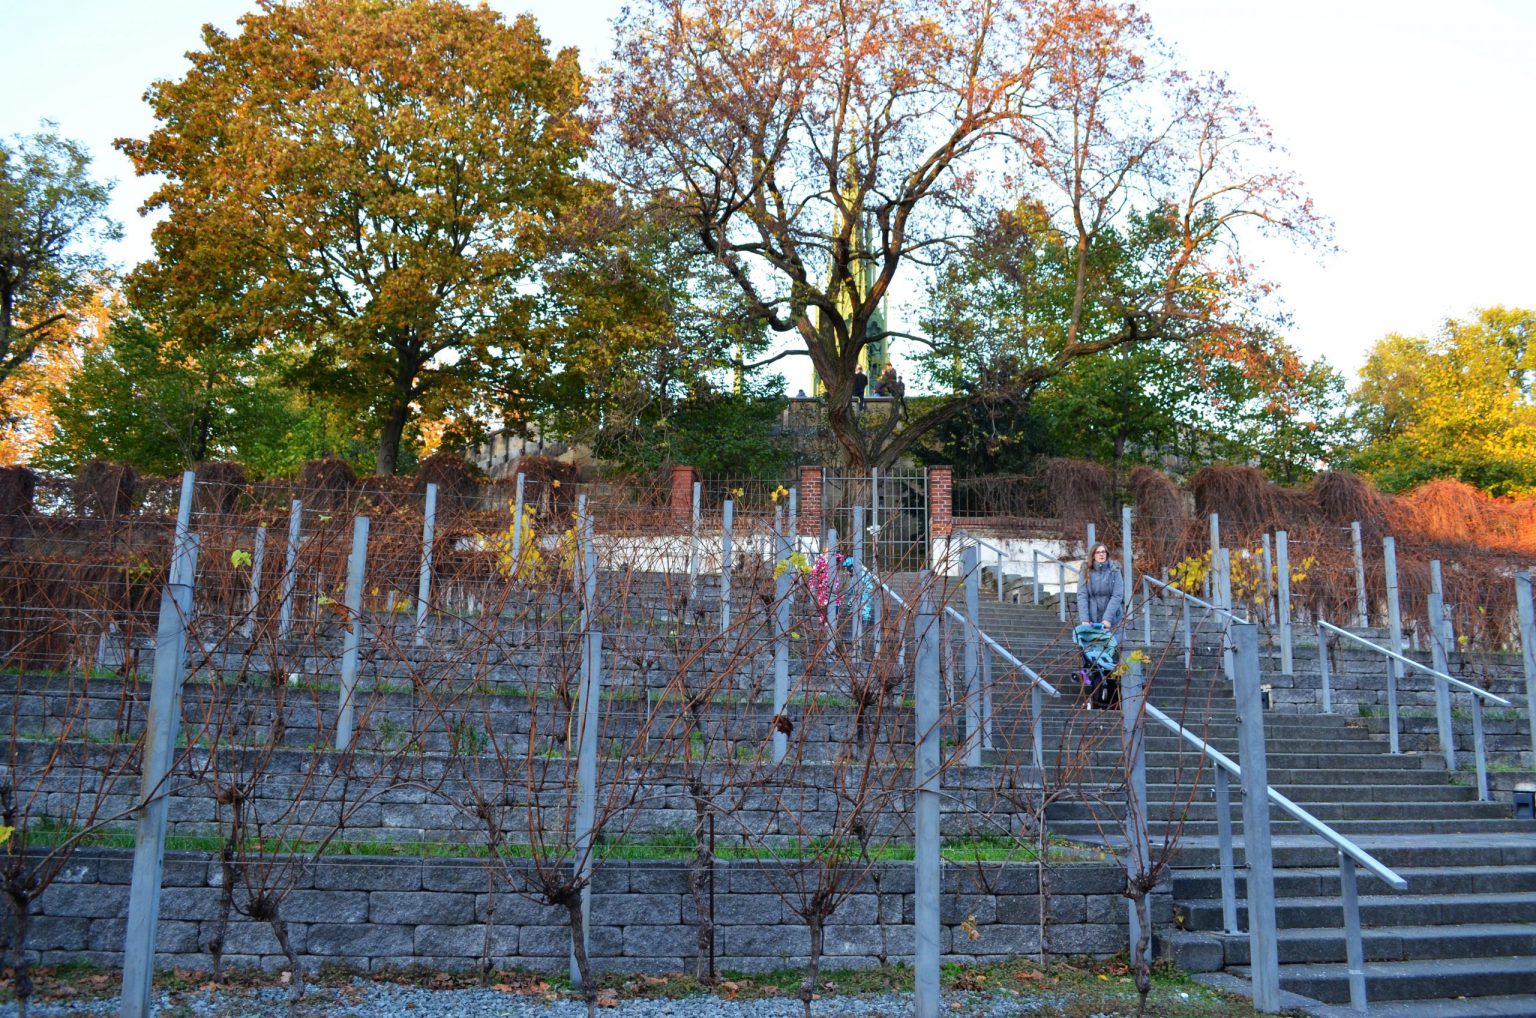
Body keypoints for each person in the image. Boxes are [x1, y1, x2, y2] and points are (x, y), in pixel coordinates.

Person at [1077, 543, 1124, 629]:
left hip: (1113, 619)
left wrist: (1107, 619)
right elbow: (1082, 596)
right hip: (1092, 619)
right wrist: (1085, 619)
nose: (1101, 554)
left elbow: (1117, 595)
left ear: (1107, 554)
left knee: (1113, 642)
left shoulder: (1115, 570)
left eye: (1103, 552)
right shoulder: (1086, 570)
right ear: (1093, 555)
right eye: (1098, 552)